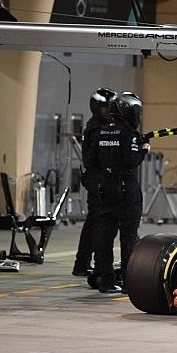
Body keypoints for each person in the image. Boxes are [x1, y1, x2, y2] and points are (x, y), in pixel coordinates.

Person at [86, 92, 149, 293]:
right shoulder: (129, 135)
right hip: (126, 191)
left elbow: (92, 161)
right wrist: (144, 149)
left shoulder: (102, 132)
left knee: (104, 236)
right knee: (129, 236)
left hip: (105, 189)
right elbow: (131, 160)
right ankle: (129, 280)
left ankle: (105, 280)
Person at [73, 87, 115, 276]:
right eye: (105, 107)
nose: (109, 111)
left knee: (93, 224)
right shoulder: (96, 129)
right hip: (97, 179)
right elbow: (92, 159)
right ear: (96, 107)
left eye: (110, 107)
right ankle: (96, 266)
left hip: (97, 178)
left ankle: (82, 264)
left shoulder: (98, 127)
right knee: (99, 225)